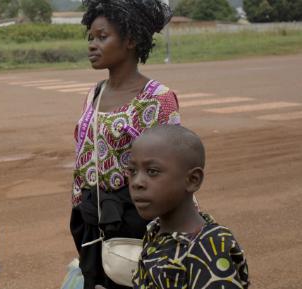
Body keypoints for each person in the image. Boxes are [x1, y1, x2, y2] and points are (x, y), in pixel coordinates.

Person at [70, 0, 178, 288]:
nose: (92, 45)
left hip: (137, 225)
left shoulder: (157, 98)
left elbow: (171, 170)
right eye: (90, 37)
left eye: (102, 37)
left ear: (130, 40)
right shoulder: (94, 94)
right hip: (93, 223)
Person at [126, 125, 250, 289]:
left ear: (193, 180)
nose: (137, 183)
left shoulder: (208, 247)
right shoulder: (155, 230)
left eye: (152, 171)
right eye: (132, 171)